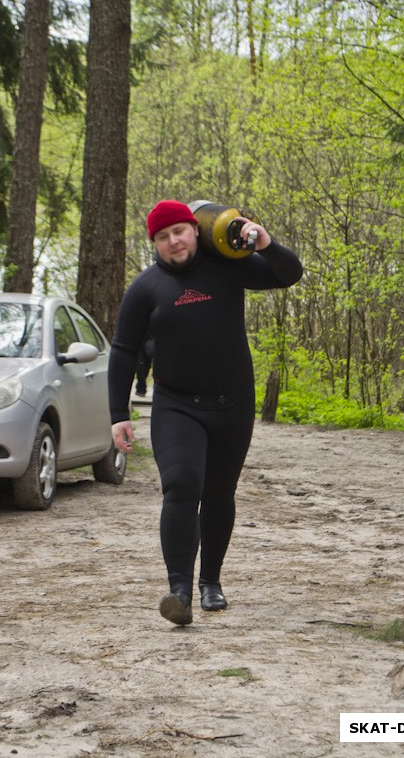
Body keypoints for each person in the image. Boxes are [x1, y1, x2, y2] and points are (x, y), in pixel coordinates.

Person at [108, 199, 303, 626]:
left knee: (219, 494)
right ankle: (179, 590)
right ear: (154, 244)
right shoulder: (146, 288)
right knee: (180, 484)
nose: (172, 241)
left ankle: (210, 582)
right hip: (177, 404)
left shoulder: (230, 266)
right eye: (162, 237)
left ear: (195, 229)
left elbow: (288, 274)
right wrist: (117, 412)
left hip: (233, 403)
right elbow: (123, 351)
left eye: (178, 230)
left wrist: (266, 243)